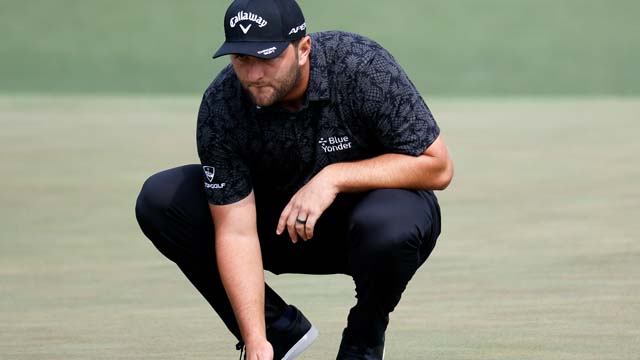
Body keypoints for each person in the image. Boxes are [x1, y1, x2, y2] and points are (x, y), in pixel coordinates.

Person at [135, 0, 454, 358]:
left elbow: (438, 167)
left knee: (391, 223)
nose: (253, 74)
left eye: (267, 57)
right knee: (161, 199)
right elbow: (235, 231)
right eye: (242, 59)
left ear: (303, 48)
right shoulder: (222, 105)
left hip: (368, 229)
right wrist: (256, 338)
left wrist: (333, 178)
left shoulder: (361, 66)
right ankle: (279, 333)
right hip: (279, 230)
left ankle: (363, 338)